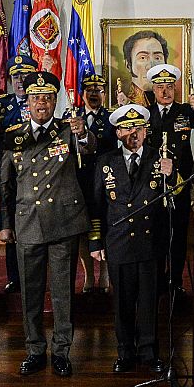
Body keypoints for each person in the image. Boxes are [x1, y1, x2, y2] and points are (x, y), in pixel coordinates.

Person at [0, 71, 96, 377]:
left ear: (56, 101)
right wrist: (4, 224)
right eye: (36, 97)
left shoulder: (68, 130)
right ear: (27, 102)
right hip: (28, 223)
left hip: (63, 221)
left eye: (48, 97)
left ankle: (62, 350)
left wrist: (83, 133)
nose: (42, 103)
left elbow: (90, 148)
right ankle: (35, 349)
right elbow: (5, 185)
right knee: (31, 291)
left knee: (63, 291)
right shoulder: (13, 135)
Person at [89, 104, 177, 373]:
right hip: (118, 241)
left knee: (149, 300)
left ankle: (149, 352)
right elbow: (96, 205)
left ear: (146, 131)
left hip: (150, 243)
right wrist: (95, 241)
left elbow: (176, 196)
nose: (133, 133)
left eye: (138, 127)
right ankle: (125, 351)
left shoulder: (160, 157)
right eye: (127, 128)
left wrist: (171, 173)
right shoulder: (106, 162)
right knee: (123, 302)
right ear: (118, 133)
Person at [143, 64, 194, 296]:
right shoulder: (145, 114)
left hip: (180, 183)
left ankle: (175, 281)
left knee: (178, 235)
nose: (165, 92)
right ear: (153, 90)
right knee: (155, 234)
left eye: (169, 87)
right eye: (160, 87)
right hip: (153, 185)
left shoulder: (185, 111)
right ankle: (156, 281)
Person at [0, 54, 38, 293]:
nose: (20, 81)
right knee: (9, 227)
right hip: (8, 177)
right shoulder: (1, 105)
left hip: (35, 177)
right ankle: (13, 278)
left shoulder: (40, 102)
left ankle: (35, 277)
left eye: (25, 76)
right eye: (16, 76)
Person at [65, 73, 115, 294]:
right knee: (83, 228)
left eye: (98, 90)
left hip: (105, 180)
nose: (94, 94)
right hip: (80, 180)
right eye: (89, 90)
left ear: (104, 94)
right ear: (82, 93)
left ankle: (104, 273)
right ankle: (88, 274)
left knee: (103, 226)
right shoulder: (71, 116)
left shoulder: (112, 118)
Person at [120, 30, 168, 106]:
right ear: (128, 65)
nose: (151, 66)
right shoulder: (122, 110)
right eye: (143, 58)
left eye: (157, 58)